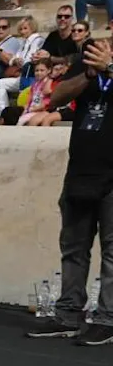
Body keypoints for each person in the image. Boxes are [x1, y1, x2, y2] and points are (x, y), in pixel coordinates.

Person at [26, 38, 113, 346]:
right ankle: (67, 316)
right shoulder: (89, 56)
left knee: (112, 252)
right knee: (73, 248)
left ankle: (107, 319)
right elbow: (57, 96)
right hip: (81, 169)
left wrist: (110, 69)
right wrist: (90, 73)